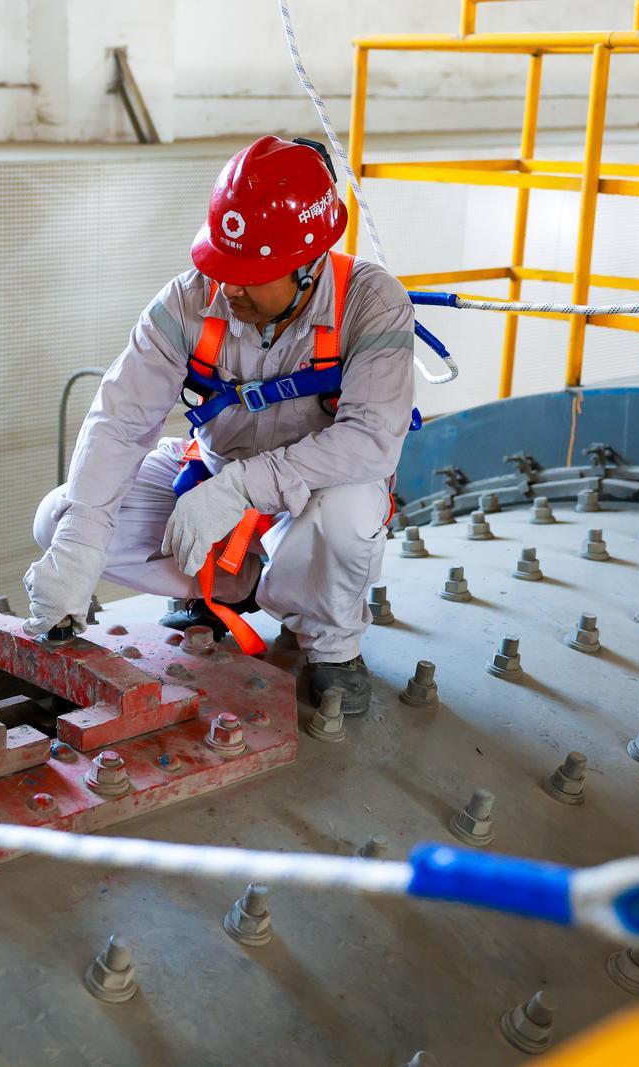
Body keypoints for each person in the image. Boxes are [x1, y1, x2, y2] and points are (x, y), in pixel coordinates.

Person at [26, 136, 415, 715]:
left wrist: (241, 489)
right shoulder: (186, 301)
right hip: (208, 473)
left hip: (311, 495)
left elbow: (372, 441)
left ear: (308, 267)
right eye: (221, 265)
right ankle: (240, 584)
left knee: (349, 514)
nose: (229, 288)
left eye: (250, 273)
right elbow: (121, 420)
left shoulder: (372, 303)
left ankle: (332, 646)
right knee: (59, 517)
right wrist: (79, 543)